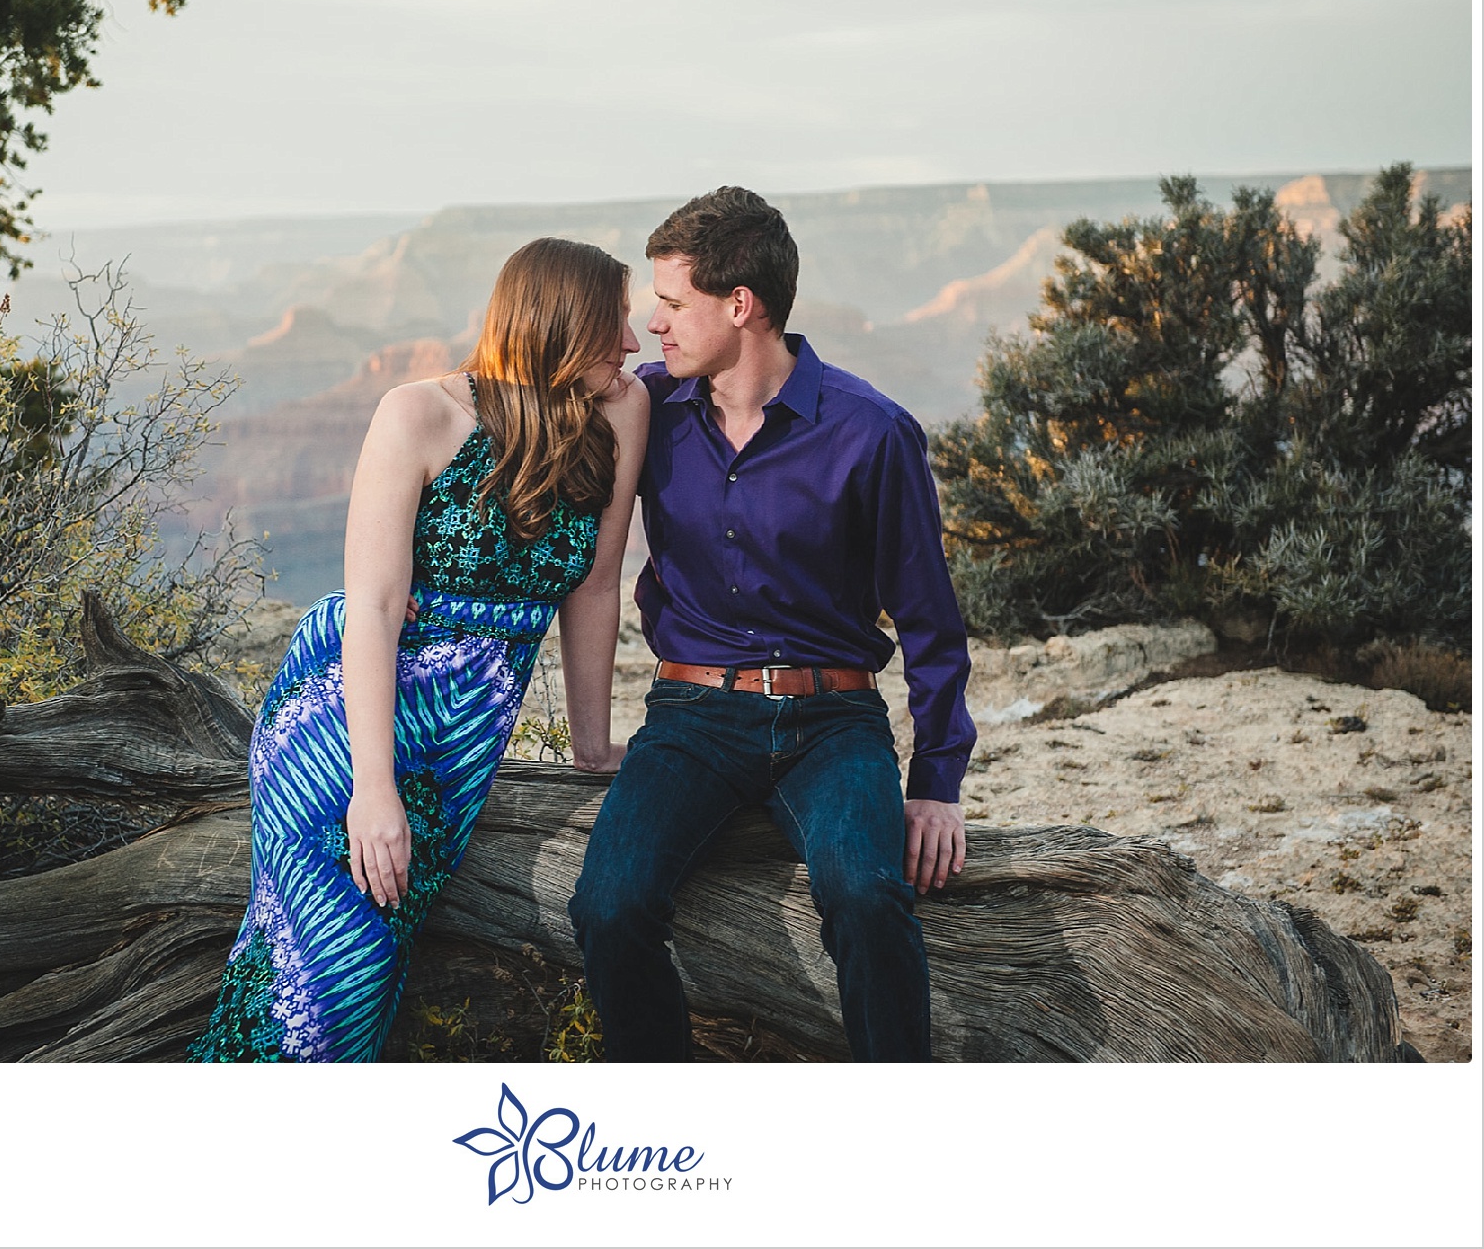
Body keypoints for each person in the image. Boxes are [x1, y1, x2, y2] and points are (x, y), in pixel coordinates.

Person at [191, 237, 648, 1062]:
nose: (634, 341)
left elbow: (595, 585)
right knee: (323, 979)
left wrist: (591, 743)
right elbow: (368, 606)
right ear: (560, 325)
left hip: (457, 749)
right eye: (615, 321)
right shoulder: (419, 414)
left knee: (370, 976)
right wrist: (372, 791)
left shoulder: (620, 410)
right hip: (346, 723)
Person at [567, 186, 974, 1062]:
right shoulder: (648, 411)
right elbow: (527, 407)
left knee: (867, 898)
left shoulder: (872, 433)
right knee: (607, 905)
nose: (654, 328)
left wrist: (937, 784)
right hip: (691, 719)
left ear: (739, 305)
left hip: (833, 725)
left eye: (672, 305)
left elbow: (932, 623)